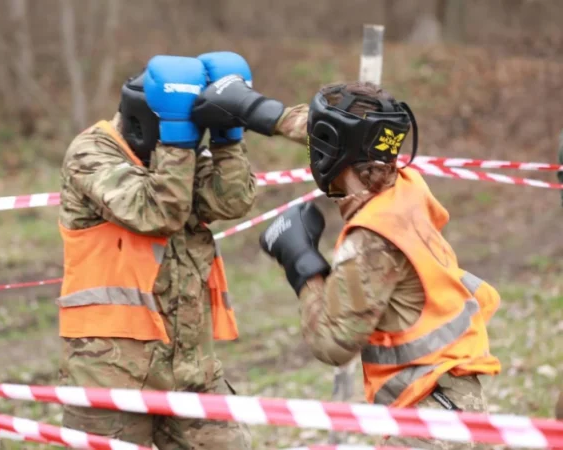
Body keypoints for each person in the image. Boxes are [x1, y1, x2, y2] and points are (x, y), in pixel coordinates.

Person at [191, 76, 502, 449]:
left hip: (434, 418)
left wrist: (300, 261)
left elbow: (332, 344)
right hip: (451, 398)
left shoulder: (372, 240)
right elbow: (332, 134)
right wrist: (254, 108)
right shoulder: (406, 185)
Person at [57, 53, 256, 449]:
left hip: (190, 369)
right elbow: (157, 213)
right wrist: (177, 139)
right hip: (110, 372)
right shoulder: (90, 153)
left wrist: (226, 137)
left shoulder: (182, 154)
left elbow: (231, 200)